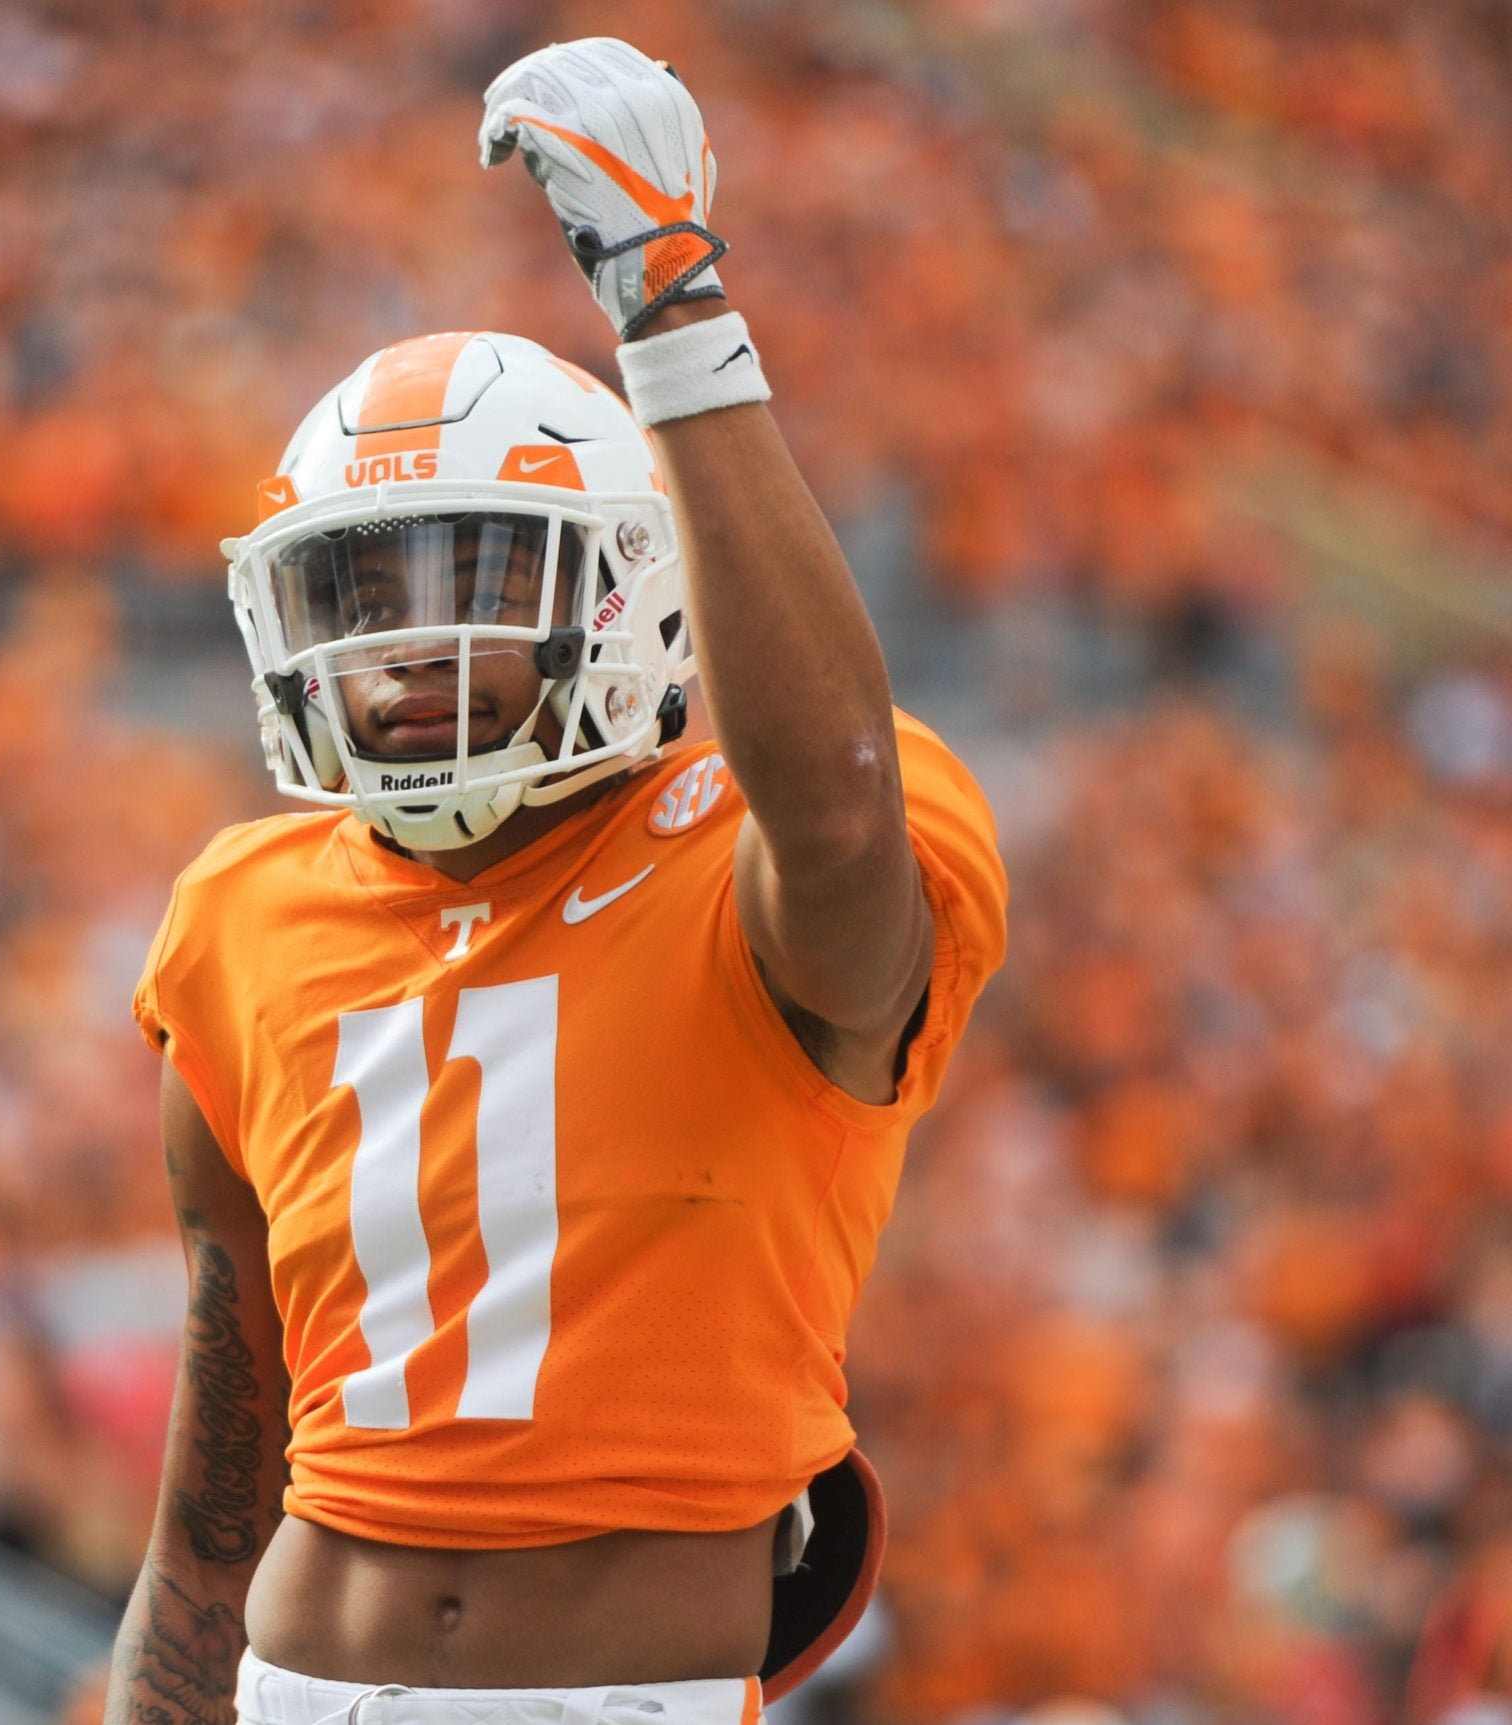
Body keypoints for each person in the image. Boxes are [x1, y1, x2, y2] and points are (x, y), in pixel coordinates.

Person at [104, 38, 1010, 1725]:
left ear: (622, 591)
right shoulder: (242, 916)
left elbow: (835, 815)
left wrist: (677, 318)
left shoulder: (741, 850)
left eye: (470, 571)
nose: (400, 647)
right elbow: (209, 1520)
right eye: (355, 592)